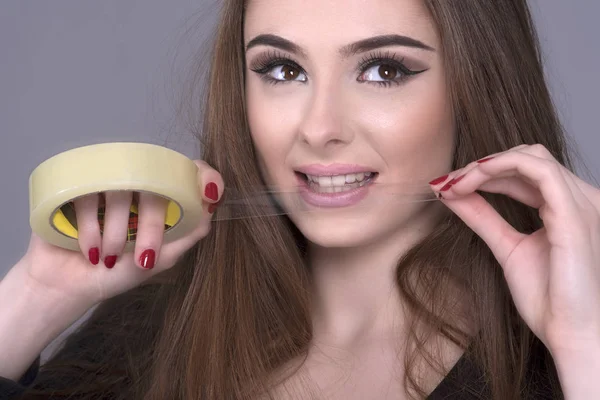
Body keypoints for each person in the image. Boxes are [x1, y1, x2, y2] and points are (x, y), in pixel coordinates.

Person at [1, 0, 598, 399]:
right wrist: (36, 297)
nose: (319, 127)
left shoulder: (560, 359)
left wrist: (586, 345)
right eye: (283, 70)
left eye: (384, 70)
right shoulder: (144, 334)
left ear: (476, 85)